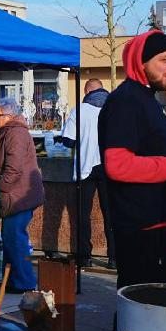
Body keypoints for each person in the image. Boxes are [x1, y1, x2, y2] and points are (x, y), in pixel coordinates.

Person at [98, 30, 166, 291]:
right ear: (140, 62)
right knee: (141, 311)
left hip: (157, 224)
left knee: (152, 311)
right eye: (164, 59)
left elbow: (145, 155)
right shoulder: (126, 101)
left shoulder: (146, 99)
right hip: (142, 228)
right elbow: (118, 164)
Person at [0, 97, 44, 293]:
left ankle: (24, 282)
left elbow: (13, 168)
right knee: (11, 238)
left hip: (18, 196)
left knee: (15, 239)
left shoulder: (16, 134)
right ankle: (13, 280)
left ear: (9, 115)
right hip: (16, 195)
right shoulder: (9, 132)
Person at [60, 78, 115, 269]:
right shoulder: (114, 109)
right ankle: (114, 258)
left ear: (86, 91)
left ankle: (85, 256)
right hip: (110, 167)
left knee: (83, 214)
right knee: (111, 214)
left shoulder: (80, 110)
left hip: (86, 168)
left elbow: (67, 141)